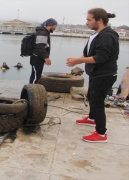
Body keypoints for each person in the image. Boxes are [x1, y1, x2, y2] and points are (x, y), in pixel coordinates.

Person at [66, 8, 119, 143]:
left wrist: (78, 60)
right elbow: (88, 54)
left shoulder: (107, 36)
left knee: (97, 102)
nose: (86, 22)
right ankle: (91, 118)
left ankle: (101, 134)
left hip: (104, 74)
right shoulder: (95, 35)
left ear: (99, 20)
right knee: (91, 96)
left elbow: (100, 57)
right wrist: (76, 60)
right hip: (96, 73)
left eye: (89, 20)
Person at [29, 18, 57, 84]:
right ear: (50, 25)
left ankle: (33, 90)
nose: (55, 28)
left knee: (36, 75)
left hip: (38, 57)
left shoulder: (44, 32)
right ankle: (32, 91)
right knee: (36, 76)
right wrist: (46, 58)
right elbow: (40, 46)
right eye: (55, 26)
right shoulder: (43, 33)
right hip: (37, 58)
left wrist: (44, 58)